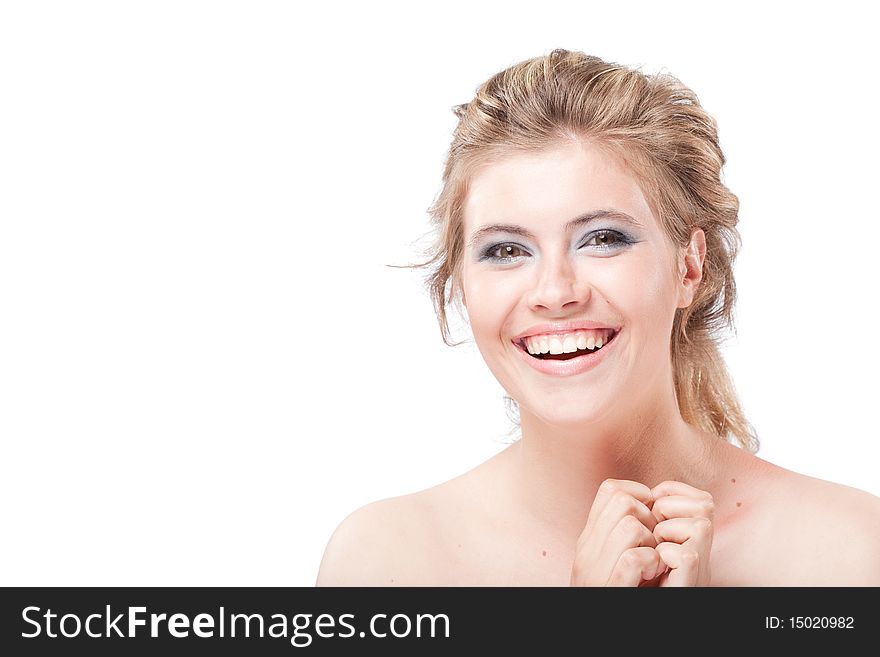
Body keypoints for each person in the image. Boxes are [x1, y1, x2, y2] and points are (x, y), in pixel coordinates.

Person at [316, 49, 880, 586]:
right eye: (506, 250)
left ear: (690, 268)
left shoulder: (849, 554)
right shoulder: (382, 563)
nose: (555, 291)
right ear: (462, 286)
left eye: (603, 239)